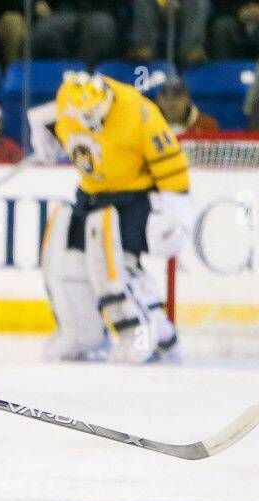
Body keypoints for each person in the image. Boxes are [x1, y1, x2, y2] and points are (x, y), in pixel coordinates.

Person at [28, 72, 192, 363]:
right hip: (90, 194)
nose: (89, 120)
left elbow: (172, 164)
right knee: (70, 264)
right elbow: (49, 114)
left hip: (131, 198)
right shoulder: (69, 96)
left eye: (94, 113)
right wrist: (42, 133)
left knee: (119, 267)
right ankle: (81, 336)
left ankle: (148, 334)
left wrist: (177, 213)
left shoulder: (139, 111)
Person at [130, 0, 212, 66]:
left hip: (184, 8)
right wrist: (164, 2)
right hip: (157, 8)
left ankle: (191, 50)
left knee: (200, 2)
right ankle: (144, 47)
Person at [155, 76, 220, 135]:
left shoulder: (206, 125)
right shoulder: (148, 125)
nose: (171, 102)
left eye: (177, 96)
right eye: (165, 96)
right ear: (158, 100)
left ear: (187, 99)